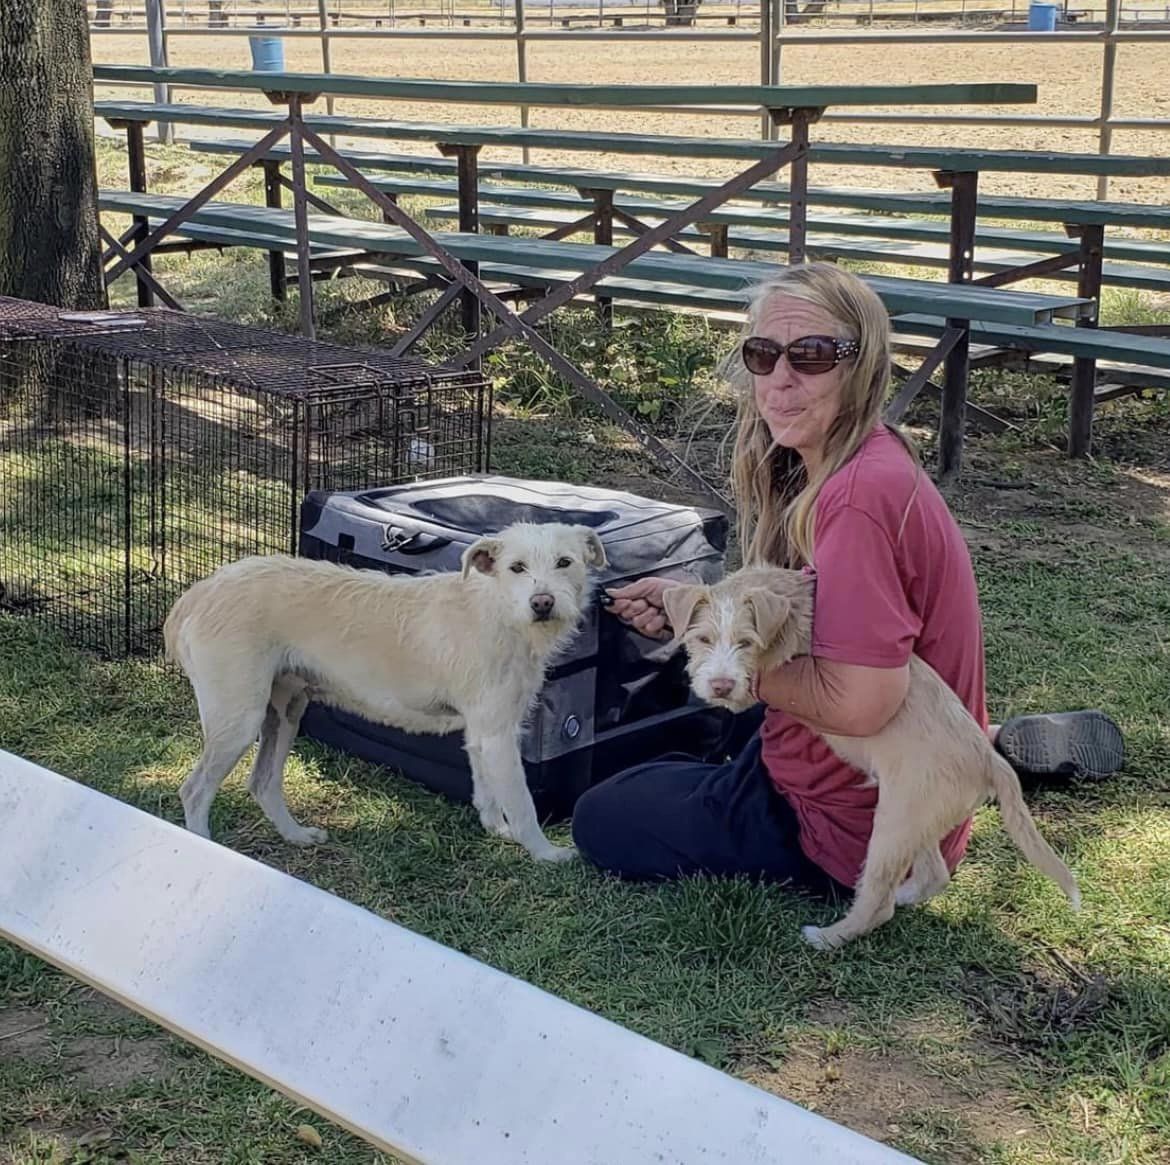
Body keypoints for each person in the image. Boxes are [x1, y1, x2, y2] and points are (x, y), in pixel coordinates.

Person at [571, 263, 1124, 896]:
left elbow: (862, 704)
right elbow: (815, 611)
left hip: (853, 832)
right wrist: (698, 612)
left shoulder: (856, 500)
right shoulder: (864, 456)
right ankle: (981, 748)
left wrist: (718, 653)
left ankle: (962, 760)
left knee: (605, 813)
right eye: (763, 353)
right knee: (713, 715)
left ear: (861, 367)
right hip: (900, 769)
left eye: (811, 355)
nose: (780, 379)